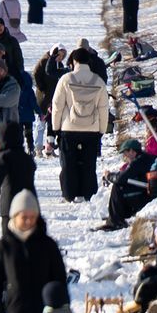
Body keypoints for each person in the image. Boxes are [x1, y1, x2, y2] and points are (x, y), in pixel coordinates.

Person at [49, 51, 109, 201]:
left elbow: (57, 105)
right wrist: (101, 129)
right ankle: (88, 194)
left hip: (69, 128)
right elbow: (103, 107)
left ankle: (69, 194)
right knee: (89, 163)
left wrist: (56, 127)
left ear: (73, 61)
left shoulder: (66, 79)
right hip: (91, 129)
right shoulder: (98, 81)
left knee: (69, 164)